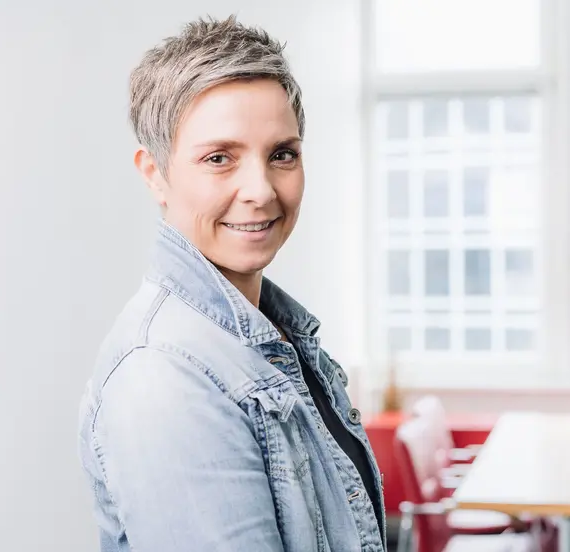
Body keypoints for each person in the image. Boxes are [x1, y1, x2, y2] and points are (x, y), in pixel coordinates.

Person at [78, 15, 385, 552]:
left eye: (281, 155)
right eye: (219, 158)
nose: (261, 190)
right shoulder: (167, 377)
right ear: (155, 174)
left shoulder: (278, 338)